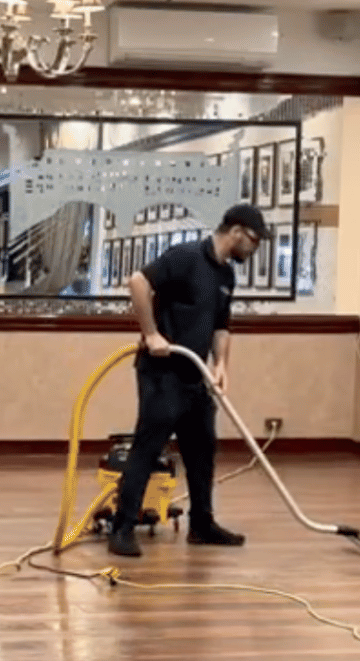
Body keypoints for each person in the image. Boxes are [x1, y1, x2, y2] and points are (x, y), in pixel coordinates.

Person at [107, 204, 268, 558]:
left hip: (196, 376)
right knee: (148, 449)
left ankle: (202, 524)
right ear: (238, 232)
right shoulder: (185, 257)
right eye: (254, 241)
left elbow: (221, 326)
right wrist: (151, 334)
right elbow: (138, 282)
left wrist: (221, 365)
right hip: (162, 374)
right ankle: (122, 528)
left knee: (202, 451)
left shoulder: (226, 276)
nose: (254, 249)